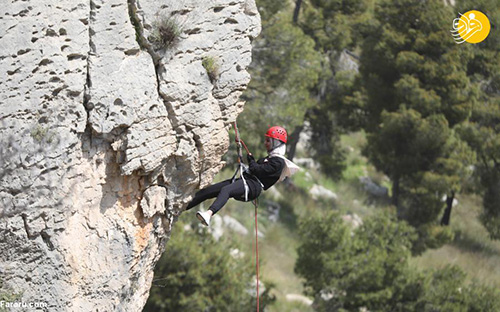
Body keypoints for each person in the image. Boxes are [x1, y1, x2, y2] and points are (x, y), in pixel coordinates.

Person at [185, 126, 299, 226]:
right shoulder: (271, 159)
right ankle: (182, 207)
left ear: (276, 142)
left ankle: (209, 214)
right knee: (209, 191)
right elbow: (255, 169)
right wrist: (250, 163)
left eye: (268, 141)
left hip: (253, 187)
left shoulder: (278, 163)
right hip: (247, 181)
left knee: (226, 190)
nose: (265, 143)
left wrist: (251, 161)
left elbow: (258, 170)